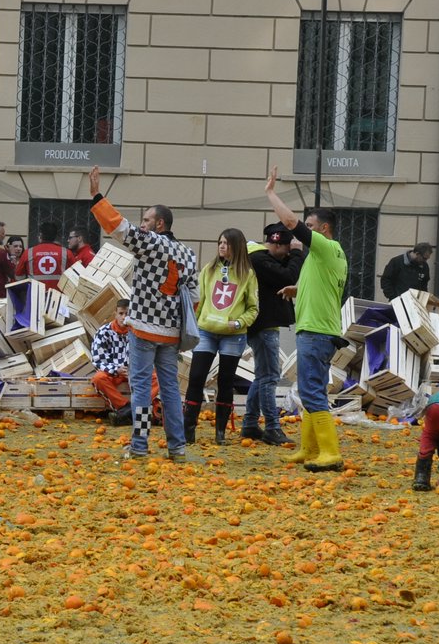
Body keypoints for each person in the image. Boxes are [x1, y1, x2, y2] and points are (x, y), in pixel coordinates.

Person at [87, 166, 198, 461]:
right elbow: (195, 297)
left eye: (147, 220)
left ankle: (140, 443)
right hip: (172, 333)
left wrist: (97, 197)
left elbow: (119, 227)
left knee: (139, 388)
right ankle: (177, 446)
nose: (143, 224)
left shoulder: (152, 243)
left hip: (144, 329)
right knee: (171, 389)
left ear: (160, 223)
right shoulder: (189, 254)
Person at [265, 168, 348, 472]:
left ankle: (330, 452)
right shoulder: (331, 255)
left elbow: (290, 223)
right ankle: (309, 448)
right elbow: (324, 285)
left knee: (312, 391)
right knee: (311, 387)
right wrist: (297, 288)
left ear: (324, 229)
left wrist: (271, 193)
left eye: (311, 226)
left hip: (315, 331)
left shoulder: (325, 247)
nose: (304, 232)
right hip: (320, 330)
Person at [184, 228, 259, 445]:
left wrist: (238, 323)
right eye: (220, 242)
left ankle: (220, 433)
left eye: (226, 243)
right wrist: (191, 329)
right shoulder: (209, 270)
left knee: (226, 382)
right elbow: (199, 301)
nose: (222, 246)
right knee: (196, 377)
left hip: (233, 335)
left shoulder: (247, 275)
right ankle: (189, 430)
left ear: (236, 246)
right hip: (206, 331)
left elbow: (253, 309)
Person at [243, 223, 302, 445]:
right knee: (269, 377)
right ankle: (272, 427)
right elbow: (287, 276)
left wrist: (292, 254)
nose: (289, 251)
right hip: (263, 325)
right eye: (287, 247)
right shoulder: (259, 260)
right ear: (277, 243)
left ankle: (249, 424)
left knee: (262, 376)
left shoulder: (262, 259)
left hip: (266, 324)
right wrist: (297, 254)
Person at [89, 298, 159, 426]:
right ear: (115, 313)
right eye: (121, 313)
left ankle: (131, 411)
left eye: (127, 314)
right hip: (114, 372)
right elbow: (97, 360)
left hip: (135, 372)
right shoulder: (103, 332)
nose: (123, 317)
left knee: (158, 378)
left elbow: (148, 356)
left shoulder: (139, 333)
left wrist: (135, 369)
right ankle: (125, 407)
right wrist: (116, 369)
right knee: (98, 379)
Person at [18, 220, 69, 289]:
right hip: (58, 296)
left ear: (41, 235)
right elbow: (76, 276)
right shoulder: (66, 253)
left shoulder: (29, 252)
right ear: (55, 236)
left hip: (35, 295)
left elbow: (18, 277)